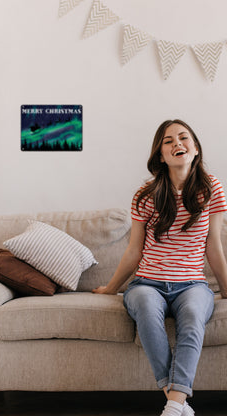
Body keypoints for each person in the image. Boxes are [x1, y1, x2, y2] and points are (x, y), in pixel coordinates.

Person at [93, 119, 227, 416]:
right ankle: (177, 402)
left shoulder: (212, 189)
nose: (177, 143)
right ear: (161, 155)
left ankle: (173, 405)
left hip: (192, 285)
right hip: (146, 284)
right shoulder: (146, 194)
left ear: (195, 149)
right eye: (168, 141)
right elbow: (134, 251)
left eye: (183, 138)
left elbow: (213, 246)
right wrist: (111, 288)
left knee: (193, 315)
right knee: (144, 308)